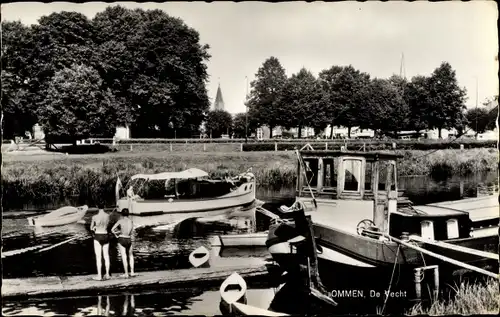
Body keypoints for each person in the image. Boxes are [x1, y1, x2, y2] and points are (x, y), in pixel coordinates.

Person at [112, 209, 136, 278]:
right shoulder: (131, 221)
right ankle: (132, 272)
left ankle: (126, 273)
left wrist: (117, 233)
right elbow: (131, 232)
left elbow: (112, 230)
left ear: (122, 214)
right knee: (131, 256)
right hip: (128, 239)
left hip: (121, 238)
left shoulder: (120, 221)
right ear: (128, 214)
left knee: (124, 256)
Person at [90, 204, 111, 280]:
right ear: (104, 207)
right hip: (105, 235)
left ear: (97, 207)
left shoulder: (94, 217)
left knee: (98, 257)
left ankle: (99, 276)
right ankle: (108, 274)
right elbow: (108, 226)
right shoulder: (107, 216)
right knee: (106, 256)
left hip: (98, 235)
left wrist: (95, 227)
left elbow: (91, 228)